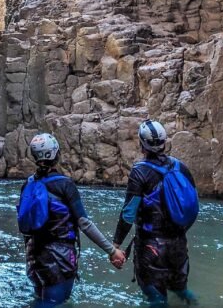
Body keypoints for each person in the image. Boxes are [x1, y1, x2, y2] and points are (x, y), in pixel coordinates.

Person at [18, 133, 126, 307]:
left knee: (42, 299)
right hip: (59, 259)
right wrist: (112, 251)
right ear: (56, 155)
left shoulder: (28, 184)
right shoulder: (65, 184)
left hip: (33, 258)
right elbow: (84, 223)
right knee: (53, 303)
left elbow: (25, 226)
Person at [113, 120, 198, 307]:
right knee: (181, 291)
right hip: (179, 246)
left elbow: (128, 214)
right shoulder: (181, 167)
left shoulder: (139, 172)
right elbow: (193, 205)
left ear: (142, 145)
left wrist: (116, 244)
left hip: (151, 248)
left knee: (157, 300)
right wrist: (180, 232)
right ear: (164, 142)